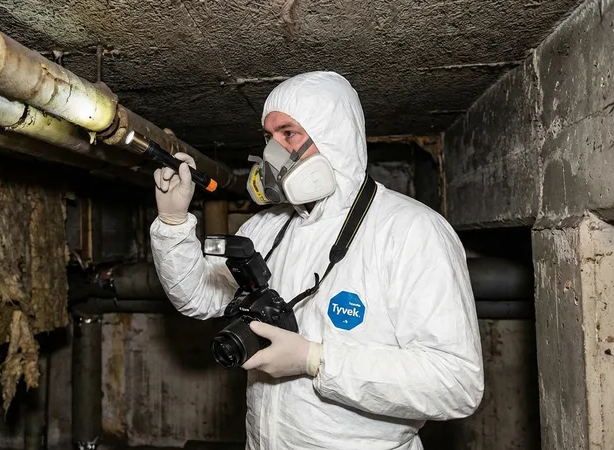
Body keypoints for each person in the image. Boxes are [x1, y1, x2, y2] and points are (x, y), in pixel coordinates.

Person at [149, 71, 484, 449]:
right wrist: (173, 223)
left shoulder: (411, 231)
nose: (272, 153)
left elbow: (456, 382)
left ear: (334, 137)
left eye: (288, 134)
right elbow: (198, 297)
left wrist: (316, 360)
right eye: (267, 137)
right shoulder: (266, 227)